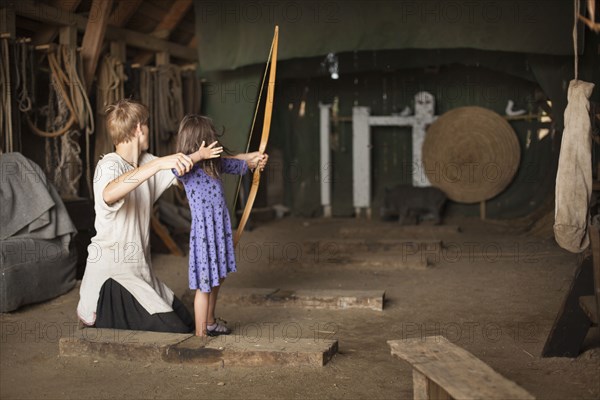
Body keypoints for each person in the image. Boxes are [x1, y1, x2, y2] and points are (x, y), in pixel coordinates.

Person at [77, 99, 222, 333]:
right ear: (137, 128)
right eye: (146, 124)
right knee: (177, 333)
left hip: (141, 272)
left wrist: (238, 160)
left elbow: (179, 169)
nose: (147, 129)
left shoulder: (146, 161)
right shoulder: (109, 165)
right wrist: (158, 166)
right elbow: (109, 193)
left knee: (188, 323)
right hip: (113, 277)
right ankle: (97, 315)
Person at [174, 114, 267, 336]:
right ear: (199, 144)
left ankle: (210, 321)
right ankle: (200, 335)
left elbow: (236, 162)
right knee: (204, 285)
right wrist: (199, 155)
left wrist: (255, 158)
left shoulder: (213, 164)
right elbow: (177, 170)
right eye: (210, 139)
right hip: (204, 234)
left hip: (219, 230)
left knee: (218, 276)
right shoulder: (187, 168)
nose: (214, 142)